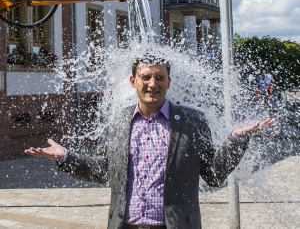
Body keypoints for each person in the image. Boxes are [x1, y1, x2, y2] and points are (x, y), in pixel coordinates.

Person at [25, 55, 276, 229]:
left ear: (169, 81)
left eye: (159, 77)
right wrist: (66, 157)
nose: (152, 84)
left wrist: (237, 138)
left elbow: (213, 174)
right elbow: (103, 170)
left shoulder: (192, 121)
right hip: (125, 224)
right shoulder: (119, 122)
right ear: (133, 81)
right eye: (145, 77)